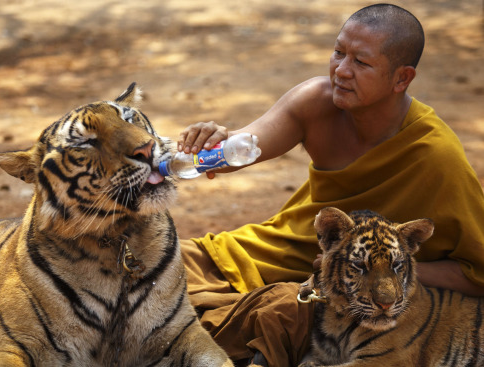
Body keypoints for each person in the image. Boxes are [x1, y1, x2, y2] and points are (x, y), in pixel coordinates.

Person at [177, 4, 484, 367]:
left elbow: (476, 276)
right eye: (338, 52)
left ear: (402, 78)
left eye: (361, 63)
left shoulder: (436, 155)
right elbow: (241, 148)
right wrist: (213, 141)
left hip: (329, 294)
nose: (341, 70)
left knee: (278, 317)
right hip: (253, 256)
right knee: (147, 264)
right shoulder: (316, 103)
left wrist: (375, 268)